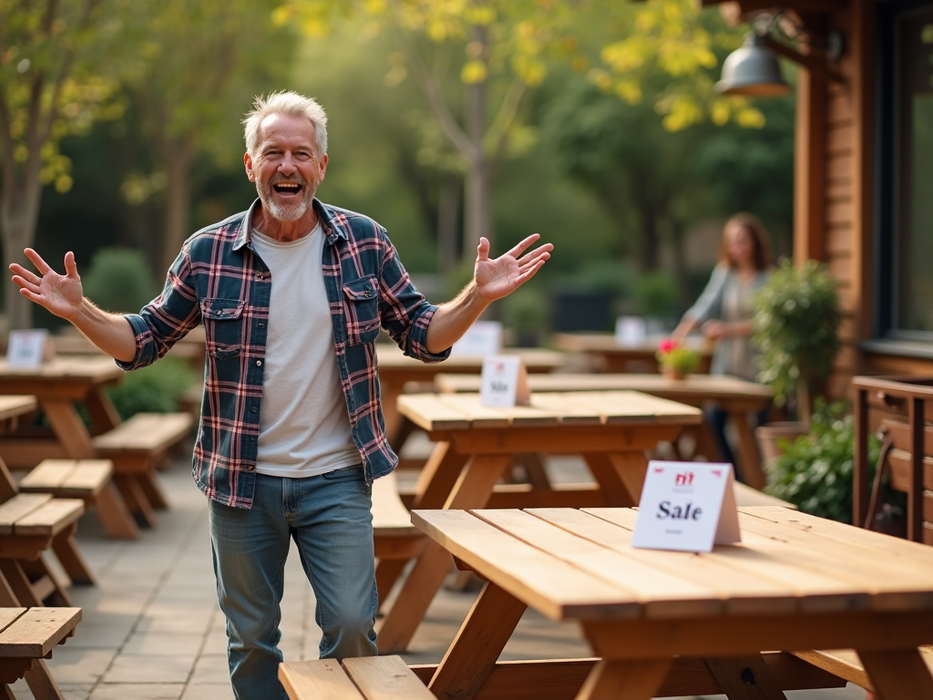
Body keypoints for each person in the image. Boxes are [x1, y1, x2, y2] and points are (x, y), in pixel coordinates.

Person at [9, 90, 552, 700]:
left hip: (337, 477)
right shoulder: (209, 251)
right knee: (251, 638)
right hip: (242, 481)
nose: (287, 166)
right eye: (273, 153)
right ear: (251, 165)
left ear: (321, 165)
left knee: (351, 628)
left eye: (301, 153)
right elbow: (142, 341)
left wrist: (477, 297)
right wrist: (78, 309)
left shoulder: (364, 243)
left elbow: (424, 335)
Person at [671, 212, 773, 474]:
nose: (737, 247)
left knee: (756, 426)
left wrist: (728, 329)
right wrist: (680, 334)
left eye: (742, 240)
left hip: (757, 366)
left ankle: (759, 478)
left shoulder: (769, 278)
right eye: (732, 241)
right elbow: (704, 306)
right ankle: (734, 475)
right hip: (726, 364)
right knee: (714, 420)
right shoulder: (725, 273)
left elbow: (767, 322)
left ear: (755, 242)